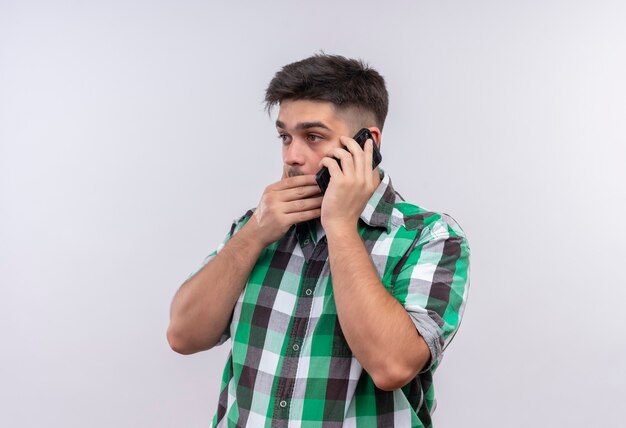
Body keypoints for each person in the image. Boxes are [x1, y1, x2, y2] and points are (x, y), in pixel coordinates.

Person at [167, 53, 470, 427]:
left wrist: (341, 226)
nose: (292, 157)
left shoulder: (429, 238)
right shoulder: (257, 227)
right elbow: (183, 335)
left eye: (313, 137)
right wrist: (253, 235)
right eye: (284, 137)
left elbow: (392, 365)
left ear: (367, 144)